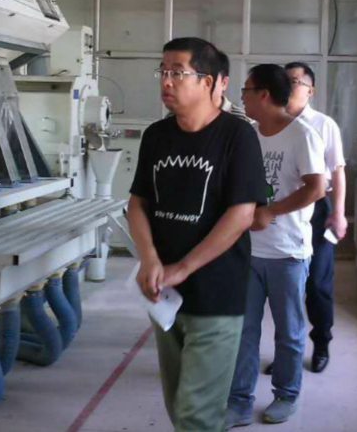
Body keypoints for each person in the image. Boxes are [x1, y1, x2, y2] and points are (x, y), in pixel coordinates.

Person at [127, 37, 268, 432]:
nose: (166, 81)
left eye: (178, 73)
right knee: (178, 405)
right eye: (163, 71)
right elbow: (138, 203)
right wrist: (149, 259)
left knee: (196, 414)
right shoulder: (156, 136)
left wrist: (184, 267)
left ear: (209, 82)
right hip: (165, 294)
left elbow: (241, 215)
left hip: (216, 293)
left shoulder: (237, 136)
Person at [226, 64, 327, 428]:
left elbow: (317, 187)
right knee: (244, 330)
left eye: (246, 90)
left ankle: (286, 394)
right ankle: (239, 400)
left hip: (288, 252)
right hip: (248, 251)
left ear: (264, 94)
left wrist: (271, 211)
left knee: (289, 332)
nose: (241, 97)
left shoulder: (303, 135)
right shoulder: (250, 135)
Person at [284, 62, 347, 374]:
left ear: (310, 90)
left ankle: (321, 343)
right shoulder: (272, 123)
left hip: (317, 209)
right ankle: (287, 351)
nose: (289, 86)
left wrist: (339, 212)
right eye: (285, 80)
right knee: (285, 285)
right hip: (283, 208)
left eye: (295, 81)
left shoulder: (324, 124)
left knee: (317, 283)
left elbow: (337, 171)